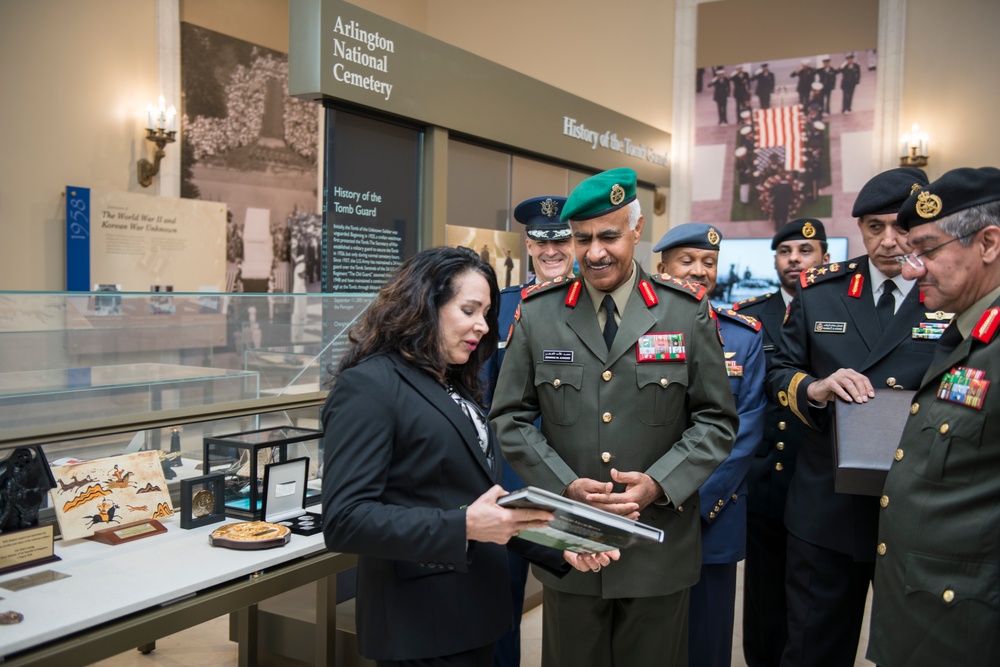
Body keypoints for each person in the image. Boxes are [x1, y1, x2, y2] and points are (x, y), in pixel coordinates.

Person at [321, 246, 616, 666]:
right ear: (424, 305)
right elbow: (345, 520)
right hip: (422, 626)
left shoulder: (450, 383)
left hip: (475, 615)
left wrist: (563, 543)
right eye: (469, 310)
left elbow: (481, 497)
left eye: (486, 313)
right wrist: (462, 525)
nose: (482, 326)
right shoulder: (369, 386)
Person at [490, 168, 738, 667]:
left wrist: (659, 483)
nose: (595, 252)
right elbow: (510, 417)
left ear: (636, 231)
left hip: (657, 546)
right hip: (572, 541)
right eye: (583, 239)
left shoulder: (683, 313)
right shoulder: (539, 313)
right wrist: (564, 488)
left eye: (609, 236)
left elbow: (716, 420)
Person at [765, 167, 937, 667]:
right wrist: (813, 388)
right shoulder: (822, 289)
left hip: (913, 500)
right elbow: (777, 369)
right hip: (827, 503)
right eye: (873, 228)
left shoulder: (947, 288)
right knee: (813, 647)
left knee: (910, 649)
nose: (888, 242)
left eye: (900, 227)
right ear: (858, 229)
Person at [868, 167, 1000, 666]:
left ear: (987, 243)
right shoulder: (966, 335)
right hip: (926, 619)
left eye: (926, 251)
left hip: (969, 626)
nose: (909, 270)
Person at [654, 223, 766, 667]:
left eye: (709, 263)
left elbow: (745, 428)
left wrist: (687, 497)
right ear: (661, 268)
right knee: (647, 637)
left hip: (711, 513)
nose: (700, 271)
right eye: (688, 261)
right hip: (645, 509)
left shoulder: (742, 336)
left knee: (707, 639)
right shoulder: (630, 333)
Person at [482, 195, 574, 667]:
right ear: (528, 242)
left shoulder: (598, 301)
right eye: (541, 239)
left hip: (580, 478)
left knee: (578, 603)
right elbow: (484, 394)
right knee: (502, 602)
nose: (551, 249)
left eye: (560, 239)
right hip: (513, 479)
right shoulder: (503, 307)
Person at [734, 218, 830, 667]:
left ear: (825, 258)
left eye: (805, 250)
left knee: (813, 603)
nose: (795, 259)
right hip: (765, 481)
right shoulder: (752, 315)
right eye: (785, 251)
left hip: (817, 478)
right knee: (763, 599)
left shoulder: (838, 309)